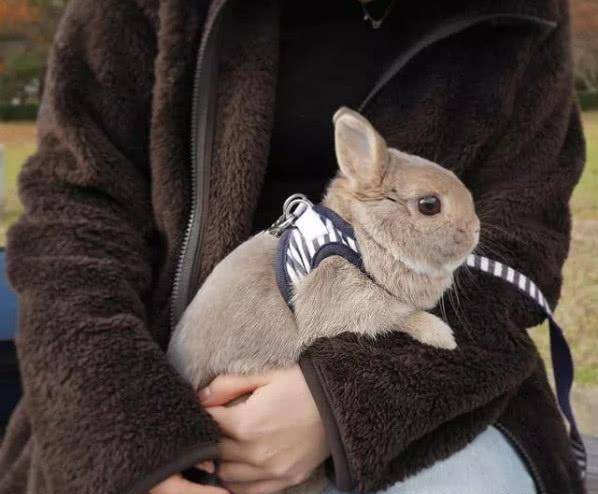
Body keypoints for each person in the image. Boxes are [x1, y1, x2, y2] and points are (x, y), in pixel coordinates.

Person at [0, 0, 586, 493]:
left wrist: (341, 403)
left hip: (430, 386)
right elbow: (75, 215)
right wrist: (133, 446)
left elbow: (518, 245)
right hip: (158, 372)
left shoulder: (526, 16)